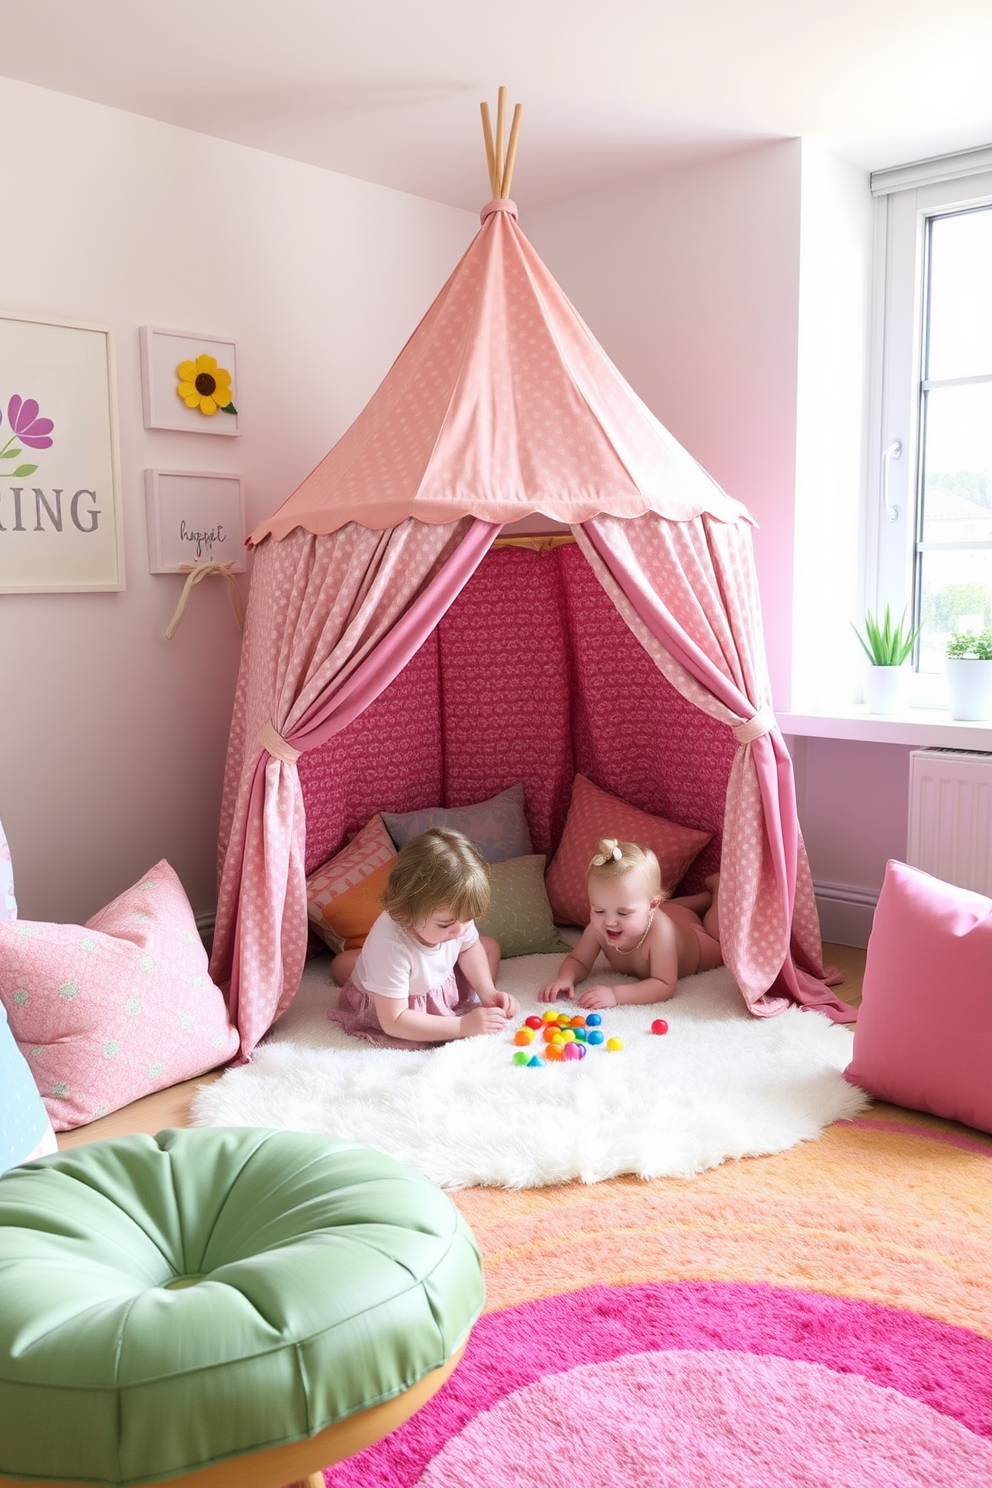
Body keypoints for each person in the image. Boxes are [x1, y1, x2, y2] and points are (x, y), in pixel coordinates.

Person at [329, 827, 519, 1047]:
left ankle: (363, 965)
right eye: (445, 924)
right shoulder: (391, 944)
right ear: (409, 909)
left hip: (433, 979)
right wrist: (462, 1026)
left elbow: (468, 947)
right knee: (349, 967)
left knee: (488, 947)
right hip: (401, 1008)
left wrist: (486, 991)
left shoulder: (455, 915)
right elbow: (394, 1020)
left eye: (467, 919)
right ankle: (362, 972)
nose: (459, 930)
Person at [539, 837, 722, 1010]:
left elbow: (664, 985)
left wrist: (615, 994)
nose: (609, 921)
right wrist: (565, 978)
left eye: (622, 913)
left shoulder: (661, 933)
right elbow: (578, 959)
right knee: (671, 909)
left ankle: (716, 891)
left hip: (696, 940)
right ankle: (701, 899)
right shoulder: (598, 928)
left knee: (721, 943)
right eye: (599, 910)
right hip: (668, 912)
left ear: (651, 906)